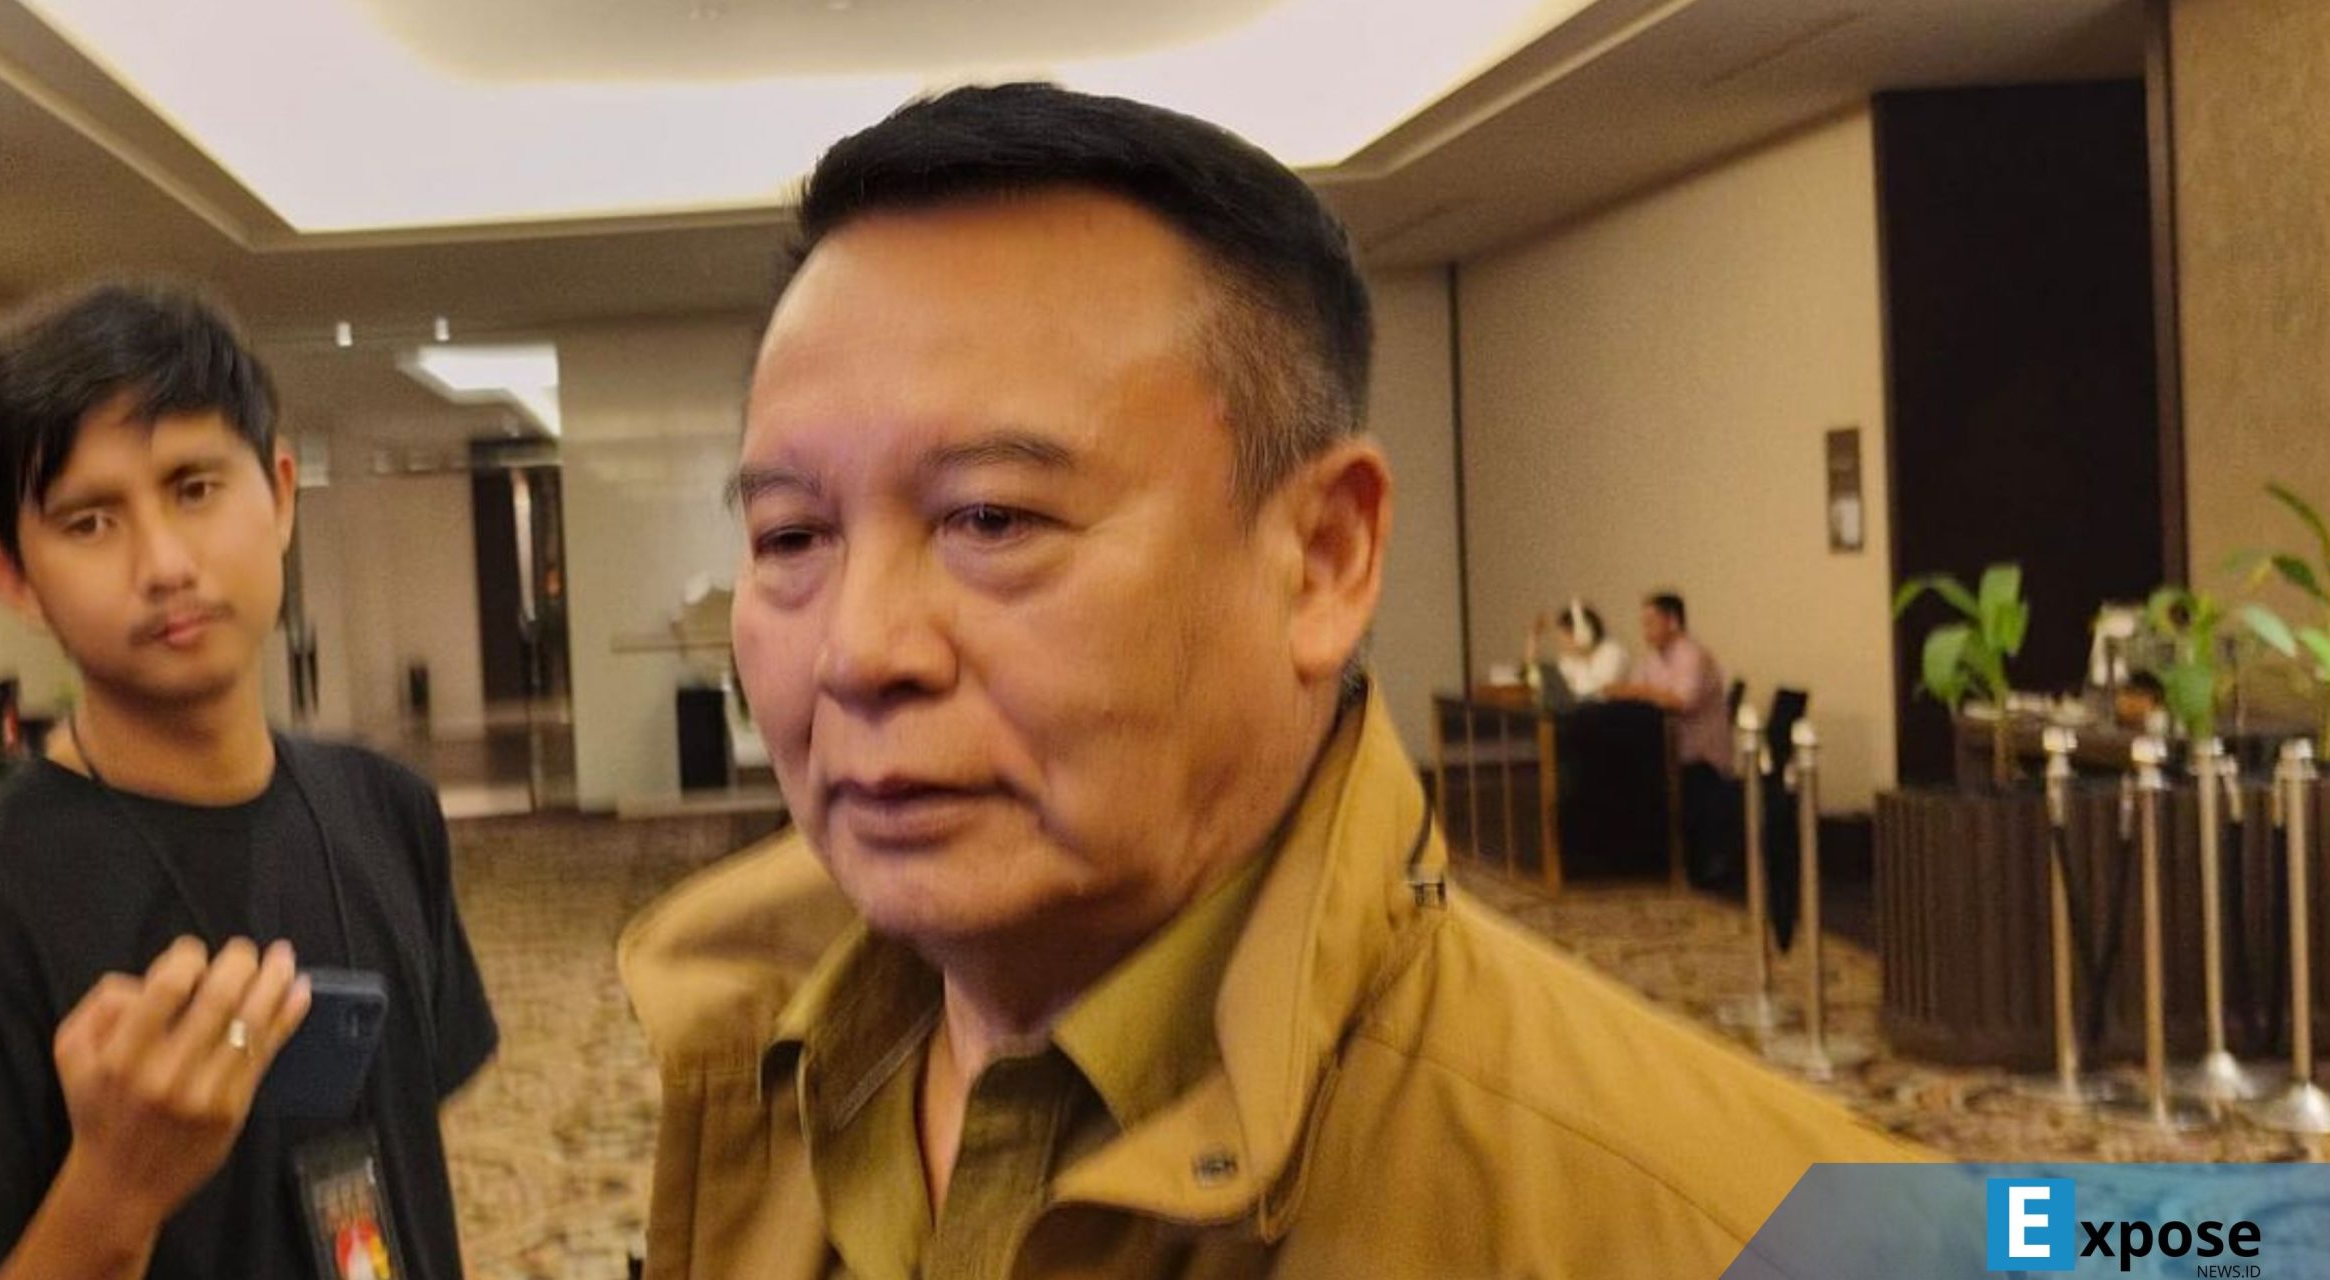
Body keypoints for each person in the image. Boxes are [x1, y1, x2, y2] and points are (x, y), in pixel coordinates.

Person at [618, 83, 1921, 1280]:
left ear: (1323, 557)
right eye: (791, 536)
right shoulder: (745, 1059)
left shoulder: (1780, 1231)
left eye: (992, 518)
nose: (856, 650)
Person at [0, 283, 498, 1280]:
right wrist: (115, 1186)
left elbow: (406, 1154)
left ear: (280, 494)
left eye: (194, 487)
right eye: (90, 521)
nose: (165, 563)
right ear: (15, 581)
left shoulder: (387, 808)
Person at [1607, 590, 1739, 887]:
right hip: (1664, 753)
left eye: (1651, 623)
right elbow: (1634, 689)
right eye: (1643, 624)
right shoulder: (1652, 658)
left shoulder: (1693, 655)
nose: (1645, 631)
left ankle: (1697, 869)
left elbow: (1683, 701)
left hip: (1701, 758)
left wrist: (1640, 692)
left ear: (1674, 622)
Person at [1524, 598, 1629, 700]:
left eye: (1565, 635)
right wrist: (1533, 638)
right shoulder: (1570, 659)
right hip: (1578, 710)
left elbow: (1598, 694)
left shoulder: (1612, 652)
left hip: (1607, 710)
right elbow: (1535, 679)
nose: (1561, 641)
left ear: (1584, 633)